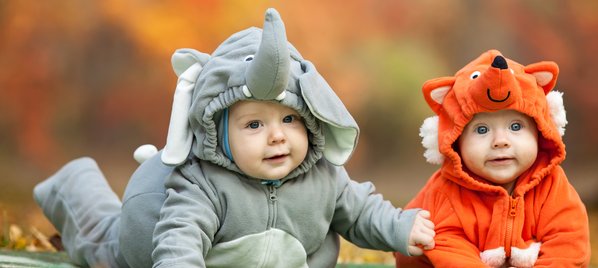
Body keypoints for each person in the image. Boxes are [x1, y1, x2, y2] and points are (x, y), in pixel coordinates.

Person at [33, 8, 434, 268]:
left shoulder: (324, 177)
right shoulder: (202, 182)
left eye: (290, 119)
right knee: (102, 247)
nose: (277, 136)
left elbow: (362, 211)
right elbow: (179, 238)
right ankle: (73, 185)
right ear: (220, 134)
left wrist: (400, 227)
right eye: (254, 125)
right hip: (146, 240)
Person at [394, 50, 590, 267]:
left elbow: (568, 240)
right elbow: (449, 249)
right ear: (456, 140)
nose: (500, 141)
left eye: (516, 126)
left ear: (540, 132)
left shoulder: (552, 186)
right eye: (482, 129)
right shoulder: (446, 192)